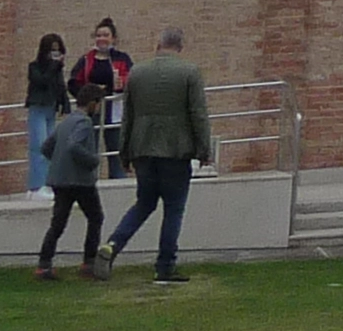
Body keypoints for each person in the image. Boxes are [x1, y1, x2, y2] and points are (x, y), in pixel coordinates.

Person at [104, 26, 212, 284]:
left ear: (157, 44)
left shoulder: (137, 72)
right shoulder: (189, 73)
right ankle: (164, 266)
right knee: (173, 209)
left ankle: (112, 245)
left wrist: (125, 152)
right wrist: (204, 149)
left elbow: (127, 115)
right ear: (180, 47)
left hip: (142, 148)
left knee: (144, 203)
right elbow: (198, 114)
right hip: (175, 150)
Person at [36, 87, 109, 281]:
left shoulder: (65, 121)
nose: (100, 108)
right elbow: (73, 146)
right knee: (96, 218)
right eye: (99, 103)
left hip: (59, 181)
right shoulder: (84, 123)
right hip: (80, 181)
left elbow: (45, 147)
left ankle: (44, 264)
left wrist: (59, 162)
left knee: (58, 223)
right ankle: (89, 262)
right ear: (92, 103)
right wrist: (92, 160)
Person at [67, 17, 131, 140]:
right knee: (90, 143)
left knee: (114, 145)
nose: (101, 39)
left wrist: (121, 83)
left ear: (113, 38)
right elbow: (73, 82)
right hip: (92, 107)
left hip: (114, 107)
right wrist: (86, 96)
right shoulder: (86, 59)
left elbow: (130, 77)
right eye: (98, 36)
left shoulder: (122, 58)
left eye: (105, 35)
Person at [23, 32, 69, 193]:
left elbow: (60, 87)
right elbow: (41, 81)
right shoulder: (34, 67)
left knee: (51, 148)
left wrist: (65, 103)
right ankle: (36, 186)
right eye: (51, 51)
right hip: (38, 107)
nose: (54, 55)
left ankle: (46, 183)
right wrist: (53, 66)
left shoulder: (57, 71)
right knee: (39, 146)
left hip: (51, 108)